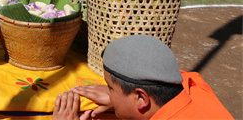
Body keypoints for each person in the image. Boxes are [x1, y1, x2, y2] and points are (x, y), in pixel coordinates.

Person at [52, 35, 233, 120]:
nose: (107, 92)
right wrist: (118, 98)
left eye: (110, 88)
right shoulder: (196, 89)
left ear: (141, 98)